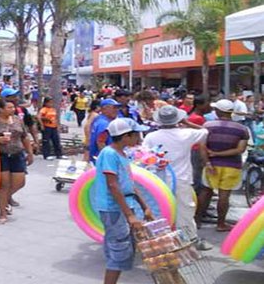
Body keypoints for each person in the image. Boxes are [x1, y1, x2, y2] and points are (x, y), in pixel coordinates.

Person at [142, 106, 211, 250]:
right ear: (178, 119)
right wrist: (186, 122)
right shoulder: (187, 133)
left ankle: (160, 239)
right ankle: (189, 238)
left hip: (157, 180)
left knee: (159, 208)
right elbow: (205, 131)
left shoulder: (151, 136)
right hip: (181, 178)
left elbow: (144, 156)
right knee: (185, 209)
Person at [95, 118, 152, 284]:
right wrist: (130, 215)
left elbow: (129, 183)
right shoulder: (109, 154)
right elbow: (113, 185)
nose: (139, 138)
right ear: (126, 136)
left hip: (125, 206)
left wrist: (144, 206)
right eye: (137, 135)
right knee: (119, 252)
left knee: (124, 248)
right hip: (113, 209)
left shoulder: (122, 154)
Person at [195, 99, 249, 232]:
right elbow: (240, 150)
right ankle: (221, 224)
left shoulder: (207, 126)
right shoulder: (242, 129)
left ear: (218, 111)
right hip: (232, 165)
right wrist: (219, 154)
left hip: (212, 165)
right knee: (224, 195)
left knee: (206, 191)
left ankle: (197, 220)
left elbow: (202, 146)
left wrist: (208, 161)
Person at [88, 99, 121, 163]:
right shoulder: (104, 124)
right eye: (114, 108)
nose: (117, 110)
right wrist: (109, 159)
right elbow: (100, 142)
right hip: (101, 160)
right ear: (104, 109)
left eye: (117, 108)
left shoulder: (98, 119)